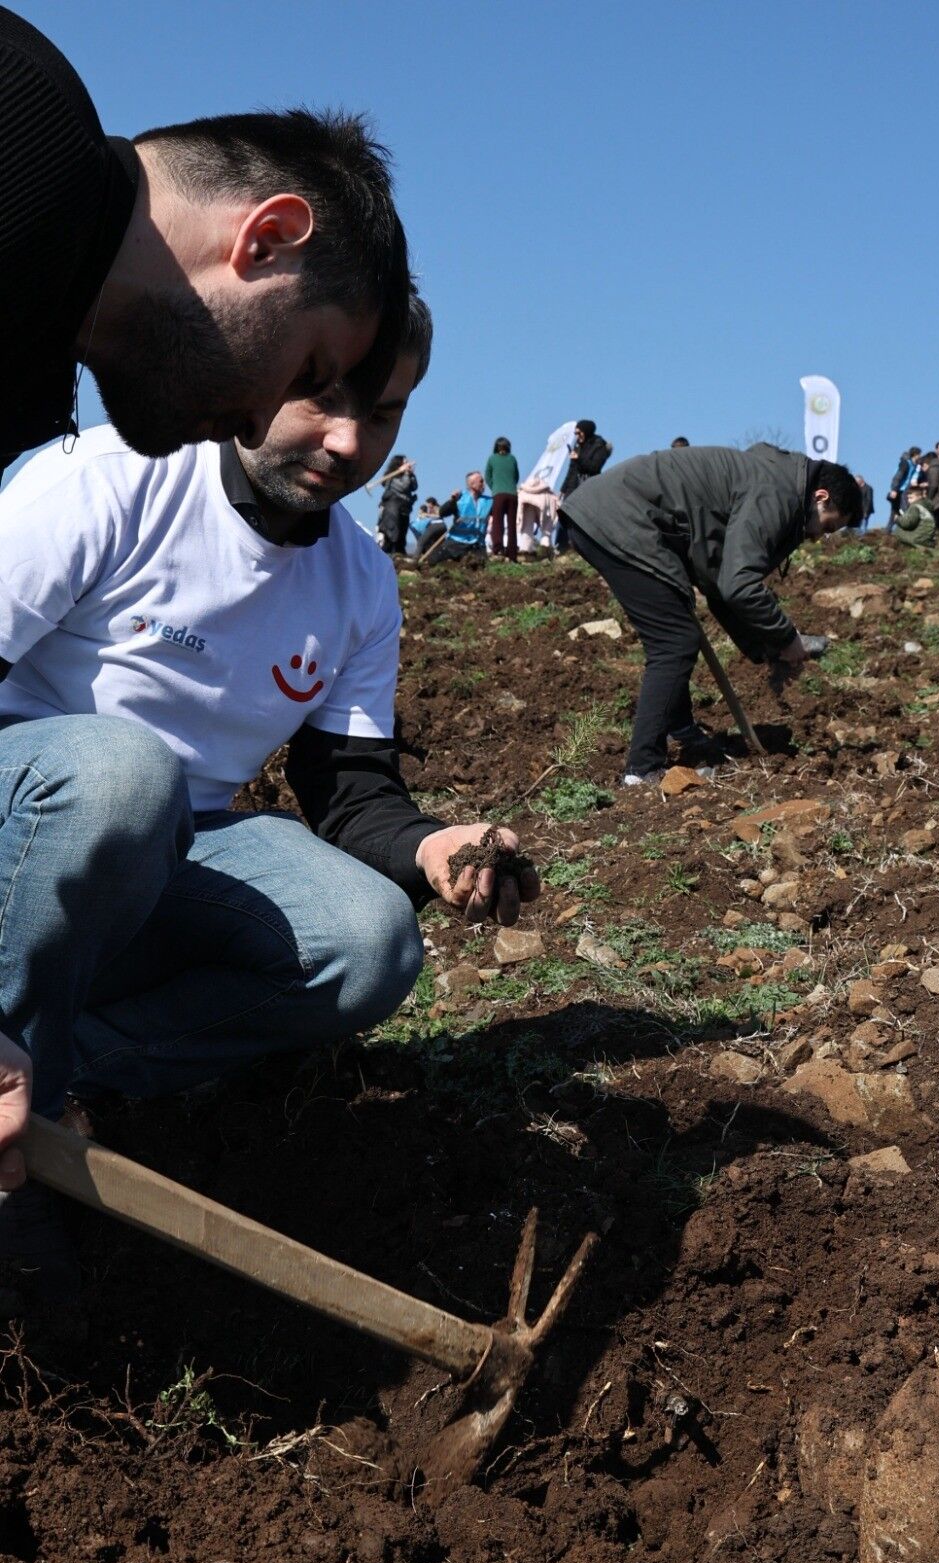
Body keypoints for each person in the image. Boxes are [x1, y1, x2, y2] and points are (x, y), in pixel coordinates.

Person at [0, 295, 539, 1294]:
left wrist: (430, 845)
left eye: (382, 412)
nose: (348, 441)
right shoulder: (108, 480)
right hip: (30, 810)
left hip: (170, 841)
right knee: (122, 777)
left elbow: (351, 789)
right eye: (318, 396)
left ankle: (53, 1082)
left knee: (367, 941)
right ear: (252, 368)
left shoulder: (359, 582)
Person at [1, 7, 411, 475]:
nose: (257, 430)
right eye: (307, 373)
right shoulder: (18, 112)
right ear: (268, 241)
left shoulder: (32, 366)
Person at [560, 444, 862, 783]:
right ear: (821, 497)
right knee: (674, 643)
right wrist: (787, 638)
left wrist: (768, 648)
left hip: (615, 514)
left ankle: (680, 728)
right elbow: (738, 585)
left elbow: (719, 583)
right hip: (619, 517)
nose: (817, 538)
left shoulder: (776, 482)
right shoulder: (775, 494)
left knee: (678, 629)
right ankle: (642, 770)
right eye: (827, 527)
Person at [555, 420, 611, 550]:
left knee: (585, 519)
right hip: (572, 487)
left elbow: (595, 467)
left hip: (588, 487)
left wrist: (578, 459)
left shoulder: (599, 446)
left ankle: (582, 546)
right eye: (575, 433)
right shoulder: (577, 446)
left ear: (586, 432)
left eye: (579, 433)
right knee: (564, 516)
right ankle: (562, 546)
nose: (577, 436)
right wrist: (563, 489)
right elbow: (571, 470)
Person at [424, 472, 493, 566]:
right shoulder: (460, 499)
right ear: (472, 484)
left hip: (477, 544)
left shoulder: (489, 501)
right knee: (433, 560)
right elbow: (442, 513)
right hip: (457, 541)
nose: (483, 484)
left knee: (481, 565)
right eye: (481, 481)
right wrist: (452, 500)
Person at [485, 436, 521, 560]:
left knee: (497, 522)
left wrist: (494, 487)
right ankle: (512, 552)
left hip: (498, 495)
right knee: (512, 524)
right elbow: (516, 477)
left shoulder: (492, 459)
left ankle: (498, 548)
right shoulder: (512, 458)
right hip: (512, 494)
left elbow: (487, 477)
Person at [375, 454, 417, 557]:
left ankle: (399, 554)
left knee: (403, 532)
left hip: (405, 508)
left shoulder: (408, 475)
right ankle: (388, 555)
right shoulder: (392, 478)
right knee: (393, 532)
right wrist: (406, 474)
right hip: (392, 509)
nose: (408, 464)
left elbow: (414, 487)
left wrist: (411, 475)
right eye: (405, 462)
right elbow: (403, 487)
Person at [890, 482, 938, 548]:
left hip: (918, 538)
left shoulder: (915, 507)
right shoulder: (928, 506)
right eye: (908, 498)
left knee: (897, 532)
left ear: (919, 496)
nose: (909, 501)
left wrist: (897, 519)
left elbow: (908, 523)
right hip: (928, 538)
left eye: (911, 498)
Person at [886, 446, 921, 531]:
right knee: (904, 509)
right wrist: (894, 489)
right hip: (900, 491)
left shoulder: (915, 465)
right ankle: (904, 529)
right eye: (919, 454)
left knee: (895, 511)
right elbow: (898, 476)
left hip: (903, 490)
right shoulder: (906, 464)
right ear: (915, 455)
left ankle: (888, 531)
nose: (920, 456)